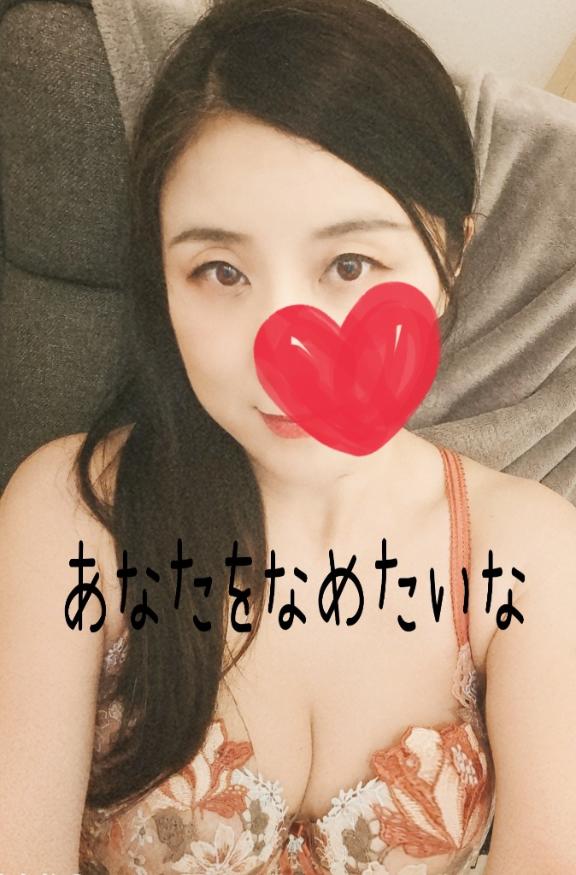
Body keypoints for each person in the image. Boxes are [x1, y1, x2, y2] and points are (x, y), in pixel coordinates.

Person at [1, 0, 575, 872]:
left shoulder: (526, 551)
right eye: (220, 271)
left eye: (349, 265)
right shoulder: (74, 517)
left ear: (450, 259)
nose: (285, 355)